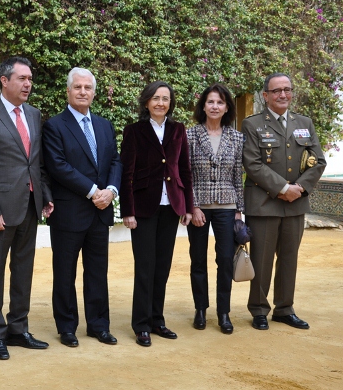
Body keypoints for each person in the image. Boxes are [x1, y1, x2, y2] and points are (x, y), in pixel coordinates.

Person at [0, 56, 54, 360]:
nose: (28, 84)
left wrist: (45, 195)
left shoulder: (33, 114)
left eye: (30, 78)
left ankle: (18, 328)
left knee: (23, 271)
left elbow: (37, 163)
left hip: (29, 206)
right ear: (4, 80)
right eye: (22, 78)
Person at [42, 68, 122, 348]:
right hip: (69, 213)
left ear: (94, 92)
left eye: (88, 87)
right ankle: (67, 327)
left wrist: (111, 191)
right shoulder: (54, 126)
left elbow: (115, 161)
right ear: (68, 91)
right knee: (65, 273)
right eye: (77, 87)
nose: (83, 92)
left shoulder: (104, 125)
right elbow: (58, 166)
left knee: (98, 272)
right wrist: (93, 192)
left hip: (100, 212)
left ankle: (99, 325)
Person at [242, 73, 326, 330]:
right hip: (264, 204)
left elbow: (318, 161)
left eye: (287, 90)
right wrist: (282, 188)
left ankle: (284, 309)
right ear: (265, 95)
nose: (282, 95)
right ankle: (258, 309)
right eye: (276, 90)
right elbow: (252, 164)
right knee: (262, 259)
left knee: (289, 258)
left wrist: (298, 188)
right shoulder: (252, 124)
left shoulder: (305, 123)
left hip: (295, 204)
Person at [120, 81, 193, 347]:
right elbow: (126, 173)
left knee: (162, 267)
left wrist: (186, 205)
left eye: (165, 99)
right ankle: (140, 324)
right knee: (145, 267)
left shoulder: (178, 130)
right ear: (146, 102)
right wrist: (127, 211)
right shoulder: (134, 131)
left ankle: (156, 320)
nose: (161, 103)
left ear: (170, 103)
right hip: (144, 207)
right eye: (155, 98)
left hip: (171, 206)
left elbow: (184, 170)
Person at [186, 83, 245, 334]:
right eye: (210, 102)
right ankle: (200, 309)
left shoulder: (236, 137)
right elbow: (185, 175)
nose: (215, 106)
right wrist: (193, 206)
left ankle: (224, 313)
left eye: (220, 102)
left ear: (227, 107)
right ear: (203, 106)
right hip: (199, 206)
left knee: (225, 260)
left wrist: (239, 211)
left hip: (227, 205)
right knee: (198, 259)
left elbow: (237, 175)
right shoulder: (189, 135)